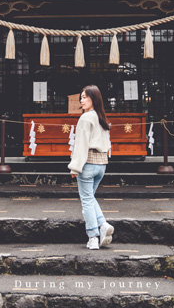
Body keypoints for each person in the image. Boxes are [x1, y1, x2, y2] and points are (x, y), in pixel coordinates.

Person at [67, 84, 115, 250]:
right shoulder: (101, 118)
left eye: (85, 97)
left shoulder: (85, 118)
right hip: (101, 165)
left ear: (94, 99)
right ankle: (102, 225)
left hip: (87, 164)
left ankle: (93, 236)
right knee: (90, 198)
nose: (82, 100)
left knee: (86, 200)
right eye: (81, 97)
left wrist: (75, 167)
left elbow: (81, 145)